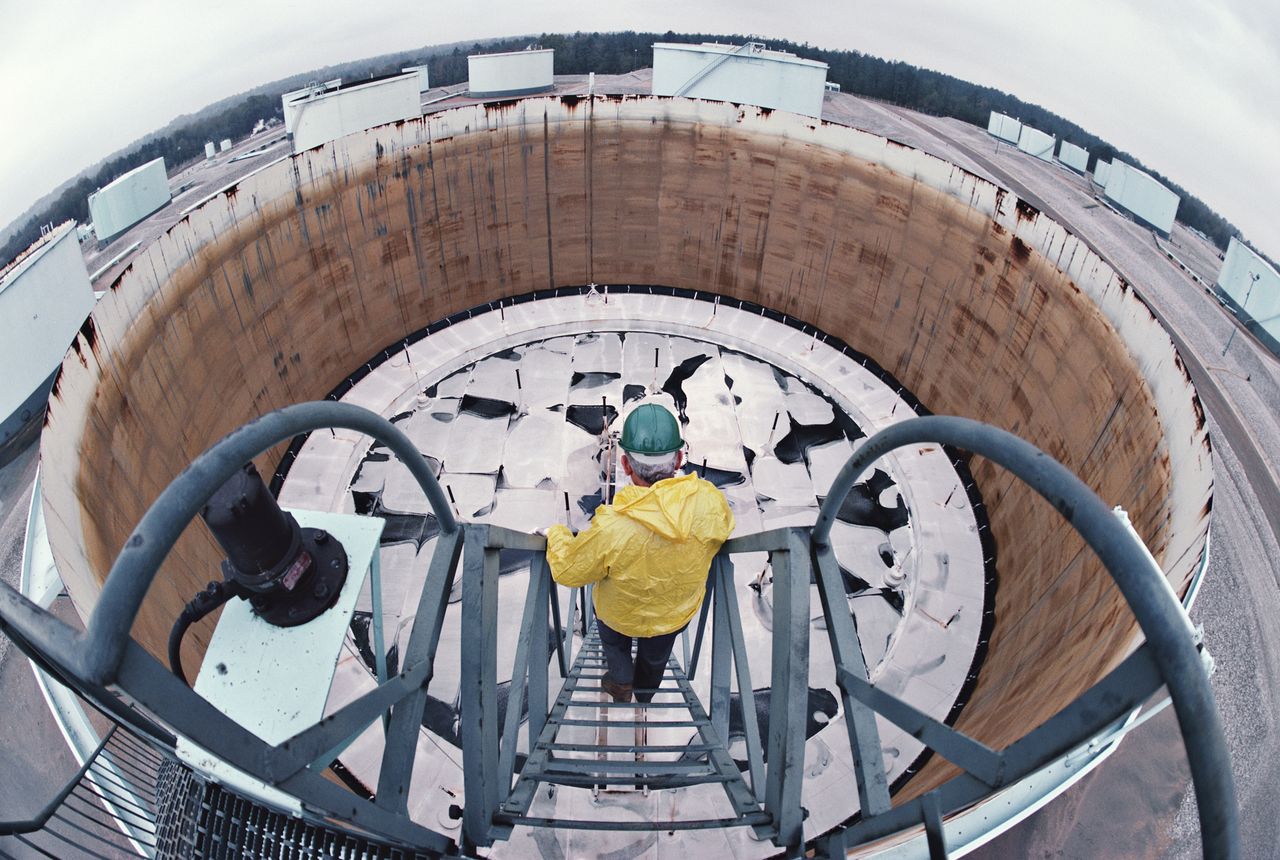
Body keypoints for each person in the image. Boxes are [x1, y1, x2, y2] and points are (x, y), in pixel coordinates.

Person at [545, 403, 735, 703]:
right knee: (656, 657)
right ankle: (646, 694)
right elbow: (722, 529)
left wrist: (556, 534)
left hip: (617, 614)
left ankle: (621, 685)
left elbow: (569, 570)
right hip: (673, 614)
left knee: (614, 644)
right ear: (680, 459)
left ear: (625, 465)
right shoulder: (709, 502)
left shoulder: (612, 526)